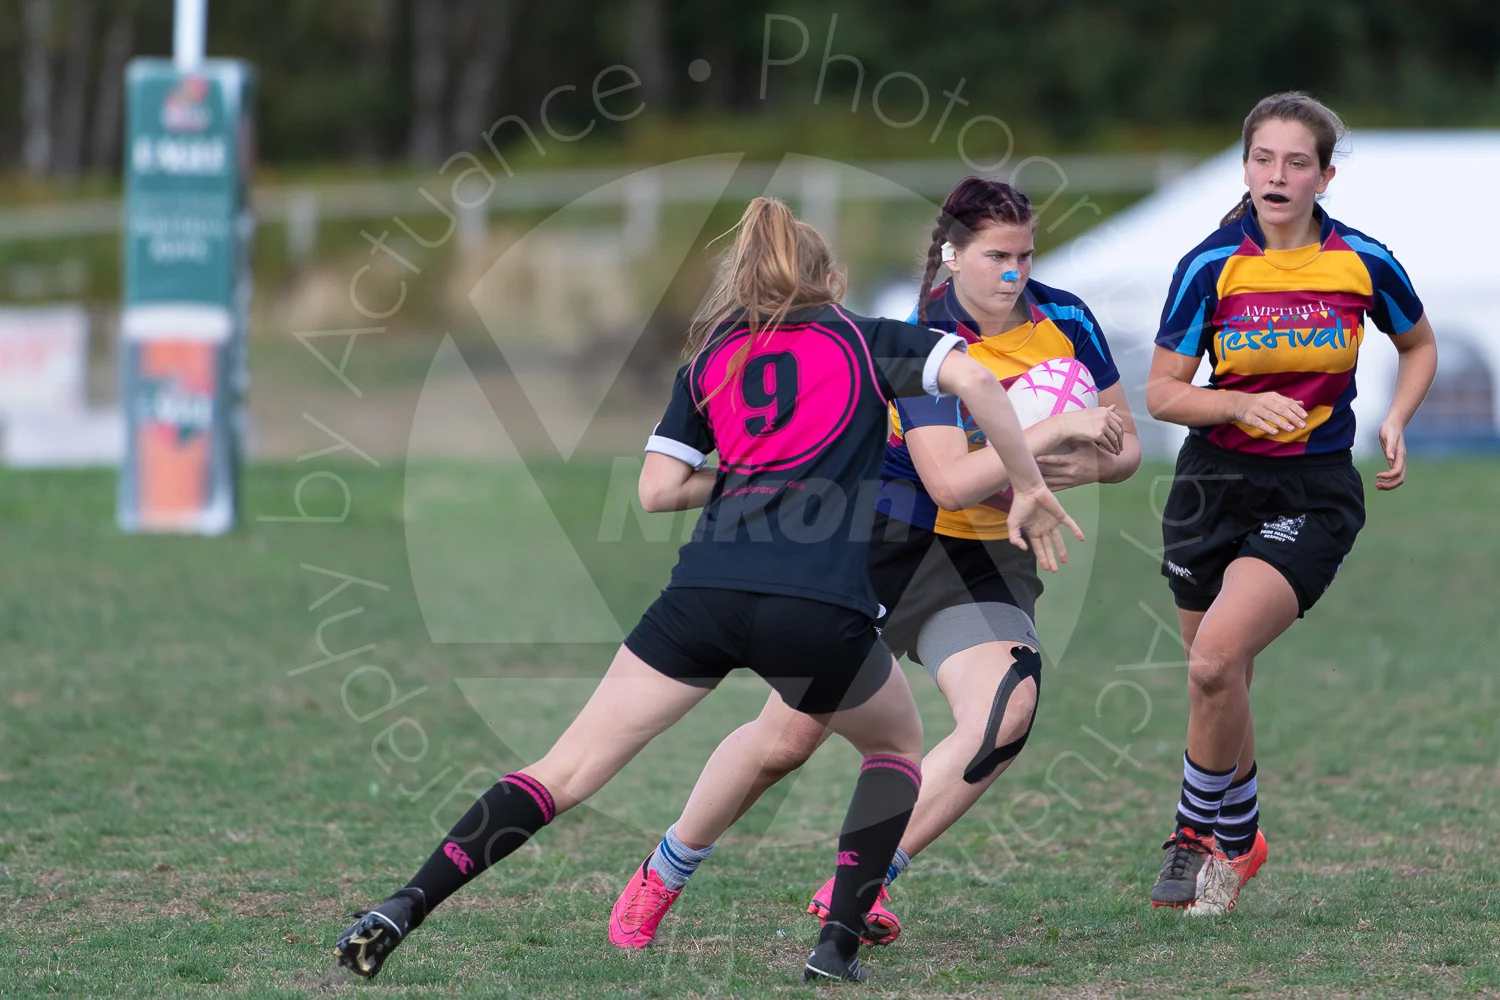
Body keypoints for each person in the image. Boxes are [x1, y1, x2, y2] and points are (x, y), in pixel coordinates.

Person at [332, 196, 1084, 985]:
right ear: (829, 279)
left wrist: (757, 471)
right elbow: (978, 382)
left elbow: (657, 491)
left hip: (705, 595)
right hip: (815, 606)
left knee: (565, 768)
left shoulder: (712, 359)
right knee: (894, 748)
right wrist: (1028, 484)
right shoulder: (872, 340)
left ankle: (405, 903)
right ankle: (835, 946)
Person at [605, 177, 1140, 951]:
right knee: (786, 742)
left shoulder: (1065, 317)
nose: (1015, 274)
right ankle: (667, 867)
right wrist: (1044, 442)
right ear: (953, 255)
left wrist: (1052, 478)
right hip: (884, 543)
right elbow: (947, 480)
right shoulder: (917, 329)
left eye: (1026, 255)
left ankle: (868, 876)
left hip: (985, 555)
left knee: (1008, 710)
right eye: (998, 257)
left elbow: (1119, 451)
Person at [1144, 92, 1437, 914]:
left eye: (1296, 162)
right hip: (1212, 485)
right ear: (1246, 168)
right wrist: (1235, 404)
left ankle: (1195, 837)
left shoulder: (1362, 261)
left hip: (1311, 490)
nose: (1278, 175)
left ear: (1324, 175)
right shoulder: (1211, 265)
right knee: (1216, 678)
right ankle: (1245, 834)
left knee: (1214, 660)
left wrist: (1396, 416)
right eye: (1263, 159)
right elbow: (1163, 393)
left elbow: (1417, 342)